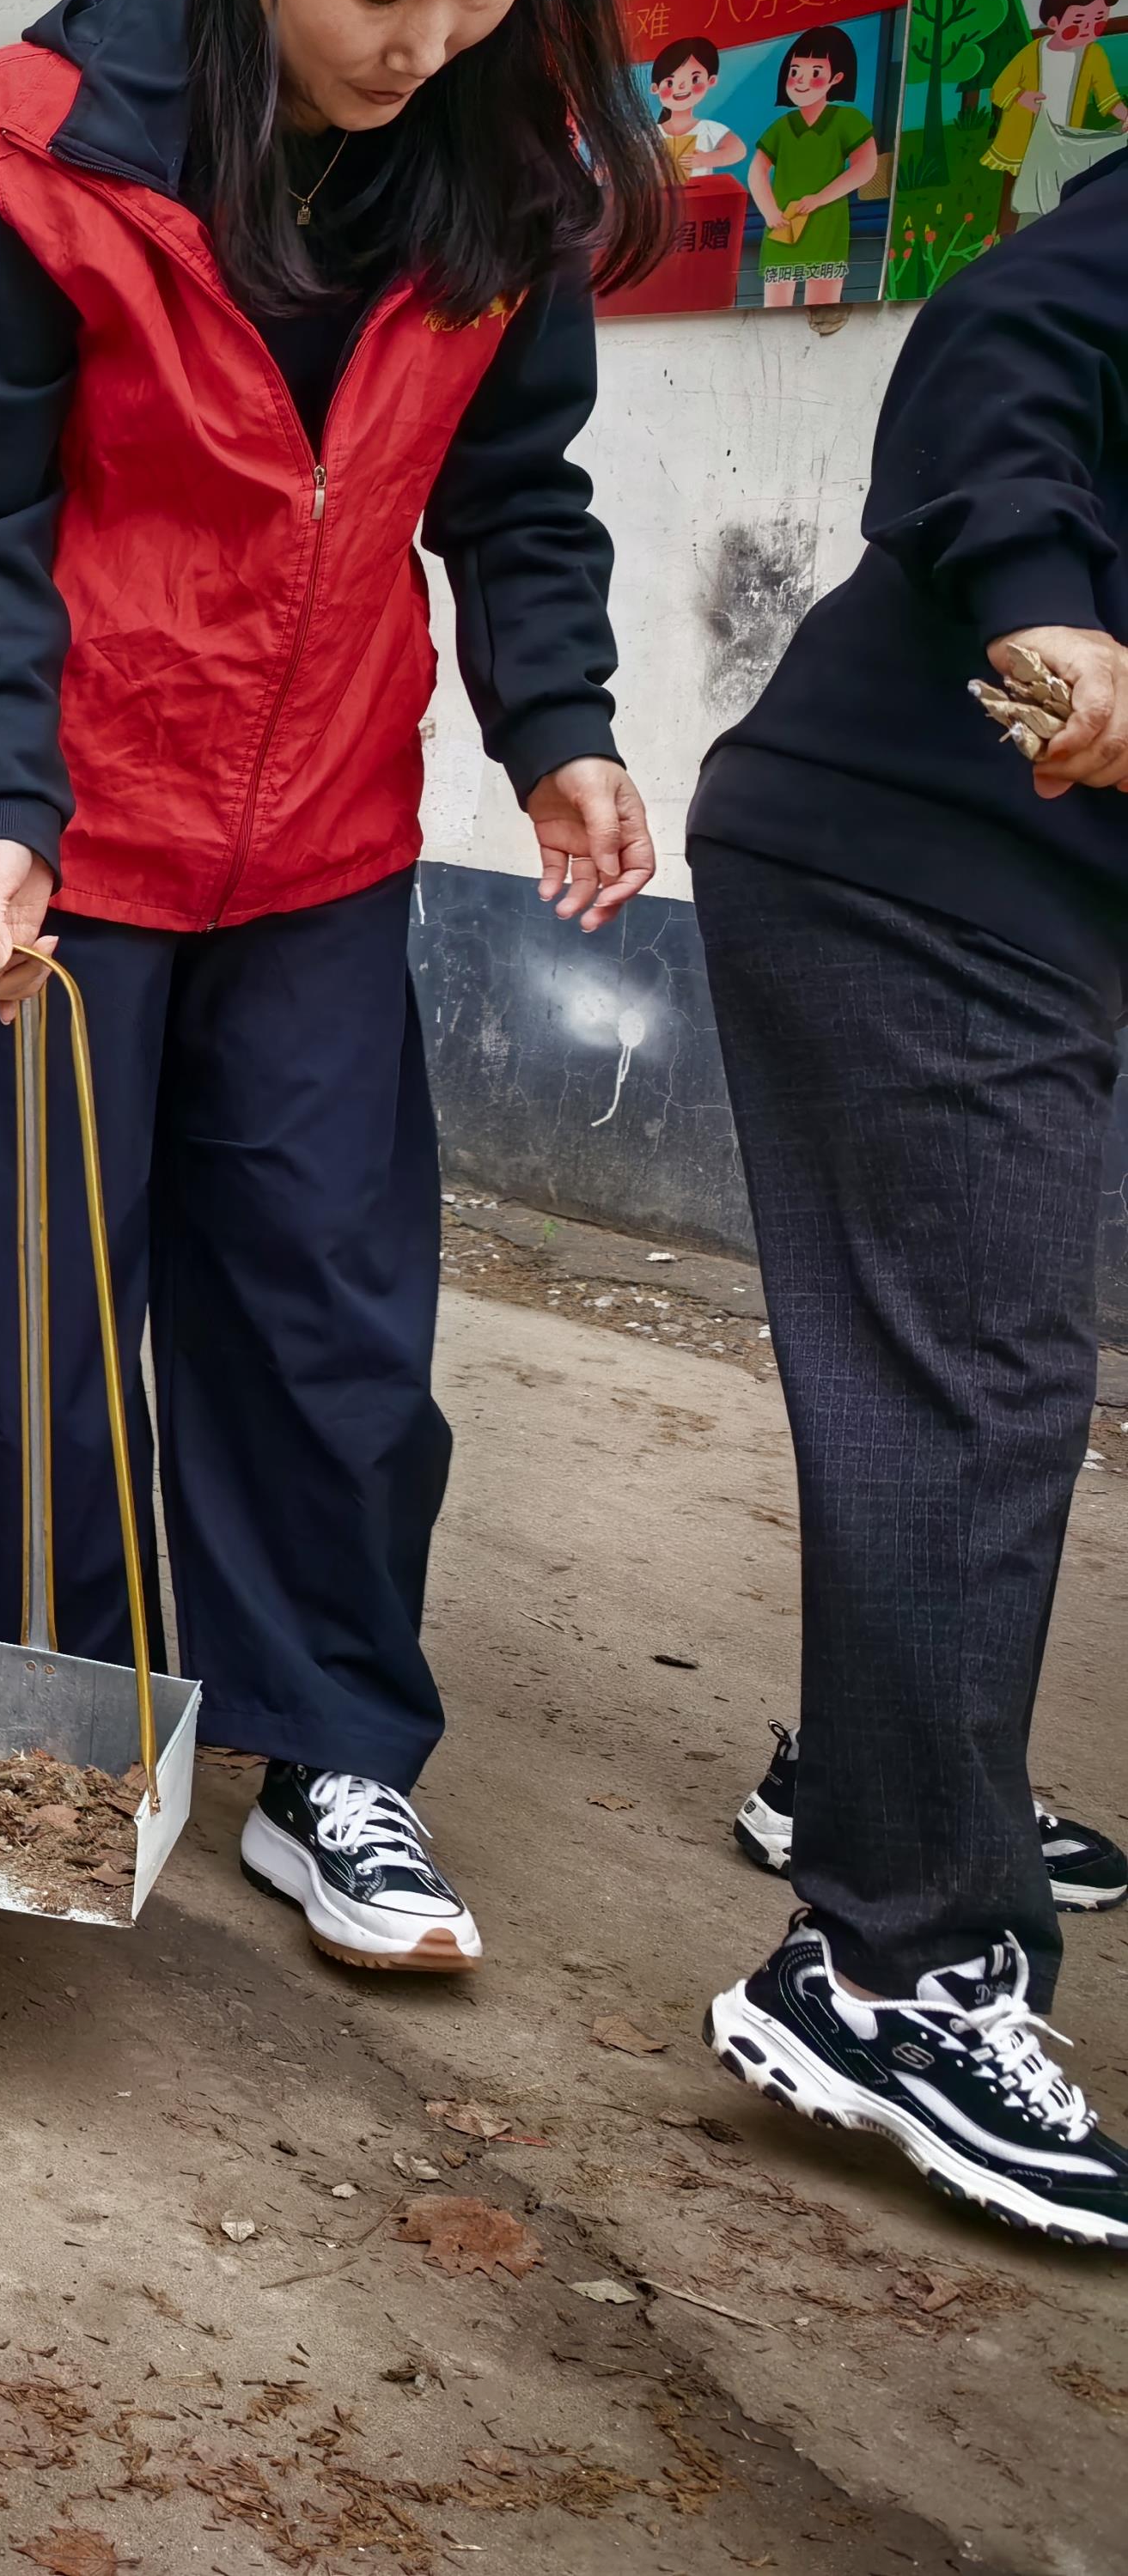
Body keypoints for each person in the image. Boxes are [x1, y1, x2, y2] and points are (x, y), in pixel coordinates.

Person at [0, 0, 665, 1976]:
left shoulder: (504, 154)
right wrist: (4, 798)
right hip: (43, 830)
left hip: (315, 834)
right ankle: (46, 1732)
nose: (430, 37)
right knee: (23, 1322)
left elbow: (515, 488)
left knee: (326, 1308)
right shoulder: (40, 145)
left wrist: (560, 724)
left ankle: (331, 1755)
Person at [680, 131, 1128, 2249]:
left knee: (976, 1377)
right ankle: (893, 1967)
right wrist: (1051, 607)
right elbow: (1008, 335)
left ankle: (876, 1783)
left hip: (1021, 894)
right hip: (920, 861)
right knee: (974, 1387)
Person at [982, 0, 1120, 241]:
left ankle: (1052, 235)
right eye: (1079, 21)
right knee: (1015, 190)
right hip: (1024, 140)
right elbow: (999, 89)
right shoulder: (1033, 52)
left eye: (1098, 20)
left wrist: (1124, 114)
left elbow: (1107, 96)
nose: (1088, 29)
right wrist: (1021, 96)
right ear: (1055, 22)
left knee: (1059, 187)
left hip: (1061, 138)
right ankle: (1006, 235)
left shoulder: (1094, 55)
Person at [746, 25, 875, 310]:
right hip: (782, 225)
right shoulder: (782, 127)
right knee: (775, 312)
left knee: (822, 309)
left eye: (815, 72)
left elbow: (866, 167)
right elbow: (756, 171)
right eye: (795, 71)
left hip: (826, 223)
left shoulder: (847, 120)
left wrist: (820, 198)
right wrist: (769, 212)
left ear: (837, 78)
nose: (801, 81)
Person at [644, 35, 743, 175]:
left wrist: (705, 159)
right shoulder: (650, 134)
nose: (682, 87)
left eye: (695, 79)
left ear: (711, 80)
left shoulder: (707, 129)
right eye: (670, 83)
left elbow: (738, 150)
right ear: (655, 88)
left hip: (700, 189)